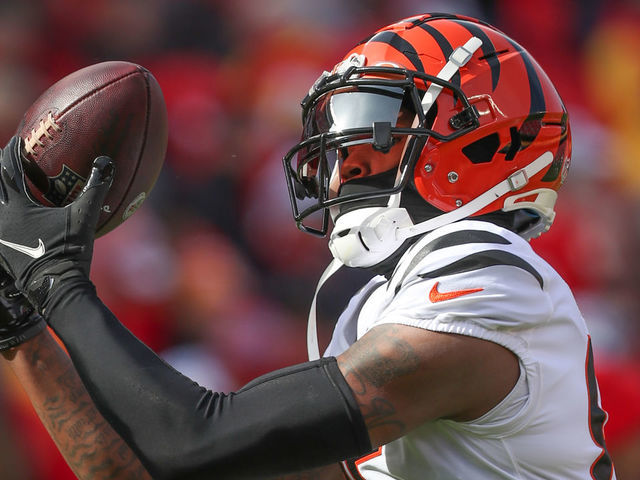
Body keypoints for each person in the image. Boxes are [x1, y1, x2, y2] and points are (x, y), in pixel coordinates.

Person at [0, 13, 616, 480]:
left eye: (372, 120)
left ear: (479, 147)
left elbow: (195, 443)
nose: (339, 155)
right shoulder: (367, 296)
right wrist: (22, 329)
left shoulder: (491, 282)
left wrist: (56, 279)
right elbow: (141, 468)